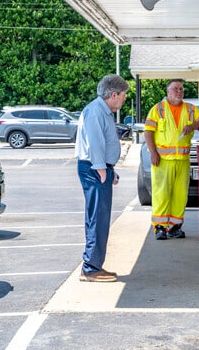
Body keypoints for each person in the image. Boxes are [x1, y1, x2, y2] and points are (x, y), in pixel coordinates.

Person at [75, 74, 129, 283]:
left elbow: (102, 143)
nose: (124, 99)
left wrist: (108, 168)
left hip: (99, 168)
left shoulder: (102, 111)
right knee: (98, 218)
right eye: (123, 95)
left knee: (100, 217)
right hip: (94, 169)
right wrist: (101, 168)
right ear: (113, 94)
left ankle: (94, 265)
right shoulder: (96, 112)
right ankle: (90, 268)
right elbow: (95, 143)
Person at [144, 79, 199, 240]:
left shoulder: (190, 109)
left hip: (182, 160)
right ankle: (160, 227)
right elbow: (148, 132)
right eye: (175, 89)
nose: (179, 92)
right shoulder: (157, 109)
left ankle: (175, 227)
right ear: (168, 92)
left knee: (180, 194)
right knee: (162, 193)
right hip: (162, 160)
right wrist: (153, 153)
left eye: (181, 89)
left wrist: (193, 126)